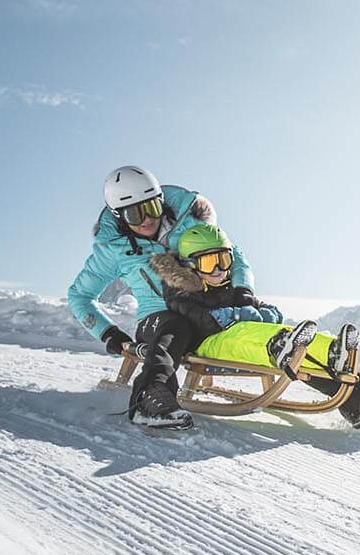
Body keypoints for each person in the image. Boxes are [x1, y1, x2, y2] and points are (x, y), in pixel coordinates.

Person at [148, 223, 360, 429]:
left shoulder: (231, 290)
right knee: (249, 335)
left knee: (296, 340)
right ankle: (279, 348)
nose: (218, 270)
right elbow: (206, 321)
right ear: (190, 266)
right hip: (211, 344)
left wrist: (257, 312)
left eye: (224, 261)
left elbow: (272, 312)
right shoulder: (181, 291)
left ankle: (357, 390)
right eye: (208, 262)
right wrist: (241, 316)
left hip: (253, 338)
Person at [66, 165, 247, 427]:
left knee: (258, 320)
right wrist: (110, 334)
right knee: (176, 325)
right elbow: (79, 295)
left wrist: (243, 291)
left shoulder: (191, 221)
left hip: (206, 310)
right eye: (134, 214)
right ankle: (150, 398)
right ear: (119, 217)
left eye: (152, 208)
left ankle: (320, 372)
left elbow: (235, 256)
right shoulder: (113, 250)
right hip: (159, 321)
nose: (147, 220)